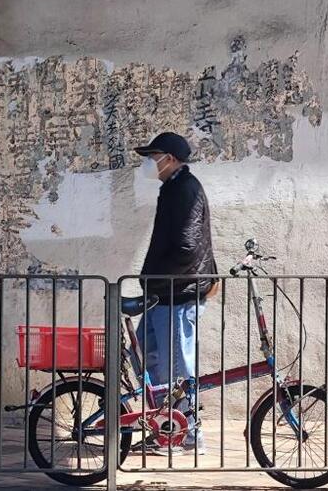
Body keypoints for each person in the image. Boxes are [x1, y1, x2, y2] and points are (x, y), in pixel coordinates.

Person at [132, 131, 218, 454]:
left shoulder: (186, 190)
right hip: (162, 295)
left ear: (171, 159)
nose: (151, 164)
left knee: (178, 367)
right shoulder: (173, 188)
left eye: (155, 158)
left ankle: (190, 432)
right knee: (146, 356)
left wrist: (154, 276)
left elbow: (187, 246)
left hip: (177, 294)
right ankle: (166, 428)